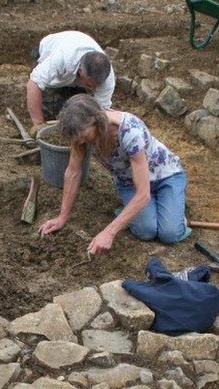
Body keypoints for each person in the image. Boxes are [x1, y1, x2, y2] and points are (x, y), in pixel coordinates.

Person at [38, 94, 190, 253]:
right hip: (130, 182)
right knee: (146, 232)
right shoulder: (81, 132)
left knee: (169, 234)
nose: (81, 142)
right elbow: (73, 172)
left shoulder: (130, 133)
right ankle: (153, 209)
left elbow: (143, 194)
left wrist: (109, 232)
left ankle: (175, 213)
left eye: (84, 137)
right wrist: (62, 217)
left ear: (96, 120)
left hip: (166, 176)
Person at [26, 30, 115, 135]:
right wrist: (38, 125)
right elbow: (33, 85)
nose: (94, 87)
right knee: (48, 109)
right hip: (47, 52)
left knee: (78, 111)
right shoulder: (61, 57)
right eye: (90, 84)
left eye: (96, 85)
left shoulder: (107, 77)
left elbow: (101, 110)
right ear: (81, 71)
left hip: (74, 75)